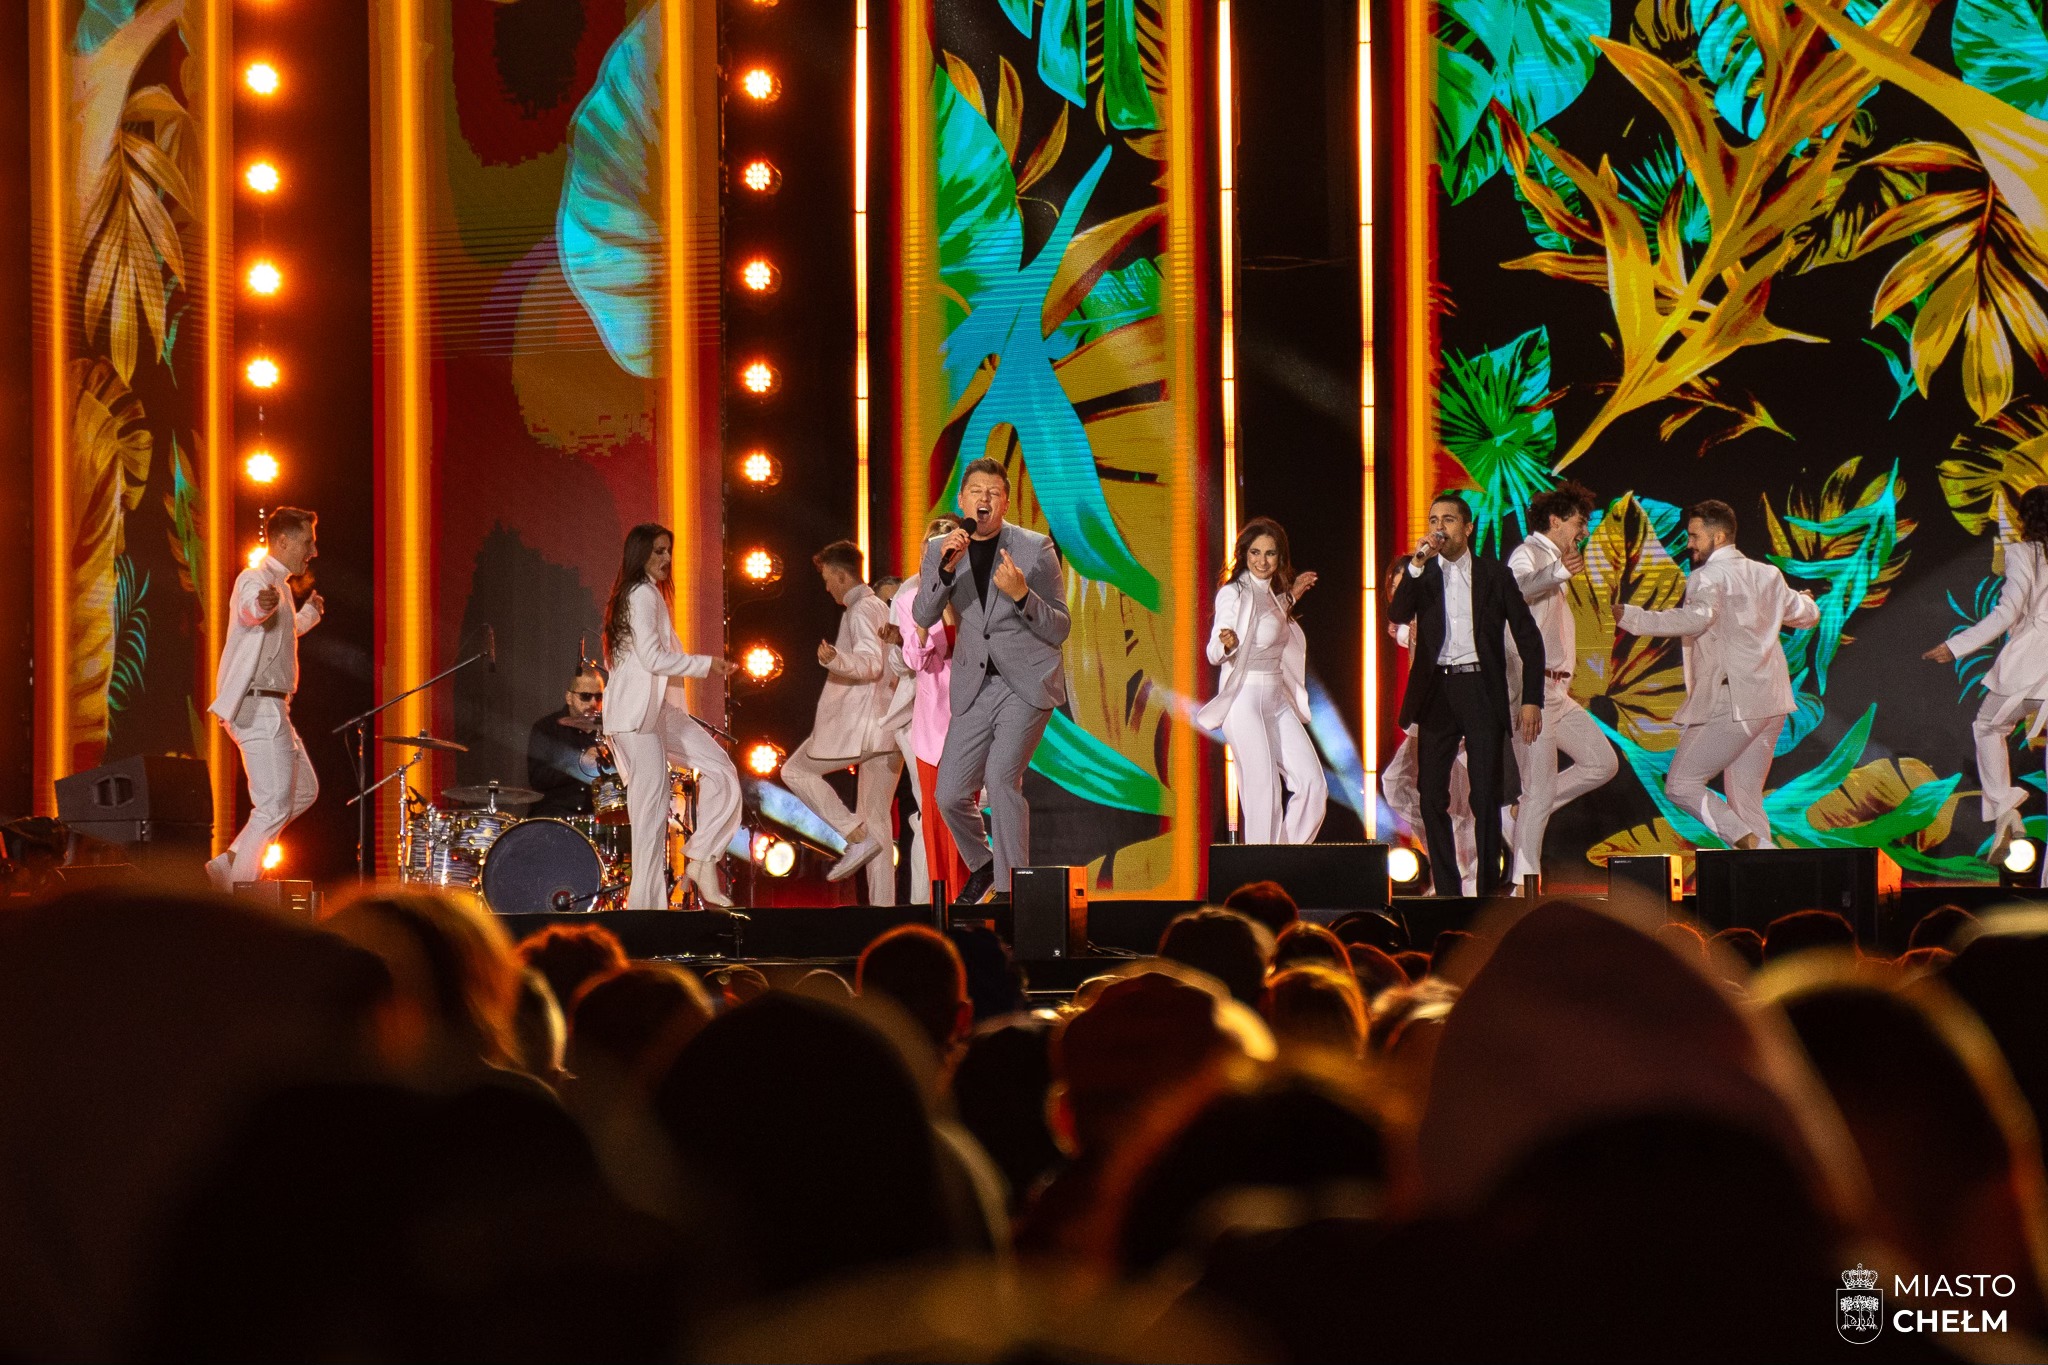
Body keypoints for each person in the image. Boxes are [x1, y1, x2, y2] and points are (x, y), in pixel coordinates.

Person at [910, 458, 1071, 905]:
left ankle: (1012, 891)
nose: (984, 498)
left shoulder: (1035, 548)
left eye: (994, 492)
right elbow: (922, 614)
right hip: (974, 684)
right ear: (962, 500)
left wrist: (1022, 595)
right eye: (976, 491)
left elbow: (1060, 626)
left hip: (1025, 682)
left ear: (1005, 502)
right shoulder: (941, 549)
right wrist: (944, 571)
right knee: (948, 794)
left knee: (1001, 779)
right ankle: (983, 866)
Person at [1614, 500, 1818, 851]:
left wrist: (1633, 617)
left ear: (1719, 536)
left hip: (1736, 702)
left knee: (1681, 785)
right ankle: (1766, 868)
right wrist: (1806, 600)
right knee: (1745, 798)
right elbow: (1807, 615)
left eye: (1695, 536)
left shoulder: (1708, 576)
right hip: (1771, 704)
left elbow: (1697, 618)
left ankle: (1749, 842)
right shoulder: (1769, 575)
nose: (1689, 543)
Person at [1390, 494, 1545, 896]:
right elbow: (1397, 614)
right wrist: (1416, 564)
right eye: (1433, 519)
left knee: (1485, 795)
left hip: (1480, 689)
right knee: (1430, 796)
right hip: (1437, 691)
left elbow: (1530, 639)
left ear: (1468, 527)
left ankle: (1488, 892)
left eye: (1448, 519)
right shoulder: (1422, 574)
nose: (1438, 527)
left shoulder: (1495, 575)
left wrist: (1532, 698)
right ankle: (1448, 890)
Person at [600, 524, 740, 909]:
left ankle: (702, 859)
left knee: (721, 769)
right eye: (658, 551)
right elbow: (653, 659)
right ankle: (646, 913)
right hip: (637, 717)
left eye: (668, 551)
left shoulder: (648, 594)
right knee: (650, 817)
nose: (666, 559)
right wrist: (706, 664)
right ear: (640, 554)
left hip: (658, 712)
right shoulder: (641, 594)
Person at [1924, 486, 2048, 864]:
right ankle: (2005, 814)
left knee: (1988, 727)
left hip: (2033, 663)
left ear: (2026, 518)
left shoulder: (2025, 553)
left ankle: (2006, 809)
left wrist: (1957, 646)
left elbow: (2007, 612)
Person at [205, 506, 326, 890]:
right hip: (258, 706)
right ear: (283, 541)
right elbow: (250, 610)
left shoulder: (282, 589)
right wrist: (261, 605)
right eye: (308, 542)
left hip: (273, 707)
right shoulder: (254, 579)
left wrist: (309, 615)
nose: (313, 552)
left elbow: (281, 632)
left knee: (303, 790)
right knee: (272, 805)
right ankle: (238, 897)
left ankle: (229, 863)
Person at [1505, 482, 1616, 883]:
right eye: (1579, 522)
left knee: (1602, 763)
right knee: (1538, 790)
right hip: (1531, 691)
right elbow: (1516, 590)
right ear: (1555, 520)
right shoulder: (1528, 553)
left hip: (1557, 692)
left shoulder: (1552, 560)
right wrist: (1558, 571)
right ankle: (1523, 887)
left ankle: (1518, 814)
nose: (1583, 531)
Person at [780, 541, 903, 904]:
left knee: (794, 771)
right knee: (878, 821)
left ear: (839, 574)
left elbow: (871, 663)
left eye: (826, 579)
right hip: (889, 726)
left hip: (864, 728)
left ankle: (852, 831)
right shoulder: (877, 607)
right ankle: (884, 912)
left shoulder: (861, 609)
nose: (826, 587)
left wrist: (836, 660)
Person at [1196, 517, 1327, 844]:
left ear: (1280, 557)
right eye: (1255, 553)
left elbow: (1268, 619)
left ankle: (1284, 859)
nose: (1262, 561)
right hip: (1244, 701)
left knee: (1313, 784)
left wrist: (1292, 596)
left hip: (1276, 701)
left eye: (1270, 554)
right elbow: (1214, 649)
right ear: (1245, 554)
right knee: (1263, 793)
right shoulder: (1233, 593)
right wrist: (1225, 644)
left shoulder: (1273, 595)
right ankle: (1262, 867)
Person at [896, 516, 971, 902]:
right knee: (936, 820)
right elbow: (914, 658)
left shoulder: (976, 595)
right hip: (935, 727)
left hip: (975, 720)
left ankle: (973, 904)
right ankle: (945, 909)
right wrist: (931, 605)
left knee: (967, 818)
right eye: (935, 543)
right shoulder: (910, 599)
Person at [526, 663, 608, 819]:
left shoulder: (609, 731)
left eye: (599, 697)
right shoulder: (546, 728)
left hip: (596, 817)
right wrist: (579, 763)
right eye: (585, 696)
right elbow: (537, 778)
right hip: (554, 815)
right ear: (569, 697)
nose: (593, 703)